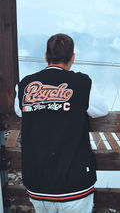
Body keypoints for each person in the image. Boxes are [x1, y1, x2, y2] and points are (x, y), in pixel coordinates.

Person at [14, 33, 108, 213]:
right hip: (75, 184)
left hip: (37, 184)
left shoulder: (25, 85)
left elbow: (19, 112)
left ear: (45, 56)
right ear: (73, 58)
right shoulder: (82, 83)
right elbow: (102, 110)